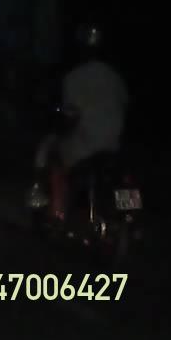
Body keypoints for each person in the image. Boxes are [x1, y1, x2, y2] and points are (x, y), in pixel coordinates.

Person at [32, 24, 129, 221]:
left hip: (84, 144)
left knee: (54, 158)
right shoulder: (114, 77)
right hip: (114, 145)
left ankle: (57, 212)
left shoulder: (73, 78)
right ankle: (128, 215)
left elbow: (69, 113)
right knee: (125, 178)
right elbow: (124, 104)